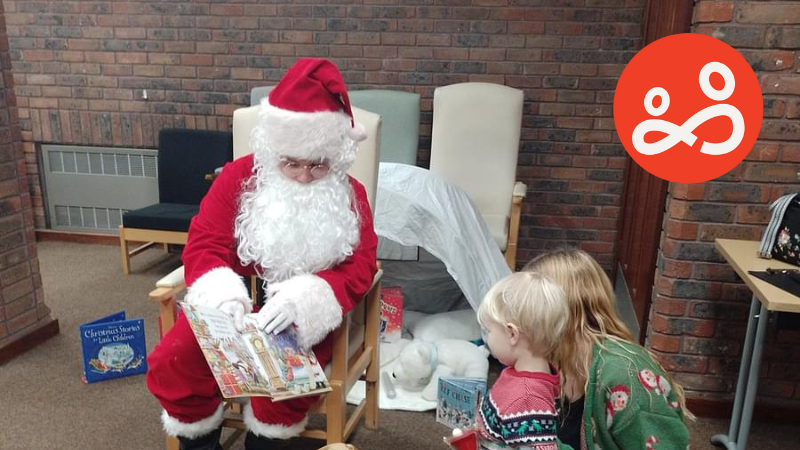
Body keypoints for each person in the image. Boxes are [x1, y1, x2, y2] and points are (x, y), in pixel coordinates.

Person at [146, 58, 378, 450]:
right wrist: (222, 294)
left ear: (334, 156)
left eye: (318, 165)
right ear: (274, 150)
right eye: (292, 164)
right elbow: (204, 241)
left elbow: (361, 266)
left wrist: (307, 301)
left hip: (299, 319)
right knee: (177, 359)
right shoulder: (239, 177)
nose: (305, 176)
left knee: (283, 388)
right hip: (231, 310)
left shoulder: (350, 195)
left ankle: (264, 445)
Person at [523, 248, 692, 450]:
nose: (516, 317)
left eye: (526, 305)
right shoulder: (552, 362)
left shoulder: (625, 376)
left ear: (559, 310)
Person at [475, 271, 569, 450]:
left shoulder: (528, 399)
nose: (487, 338)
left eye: (489, 330)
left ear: (512, 334)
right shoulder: (519, 374)